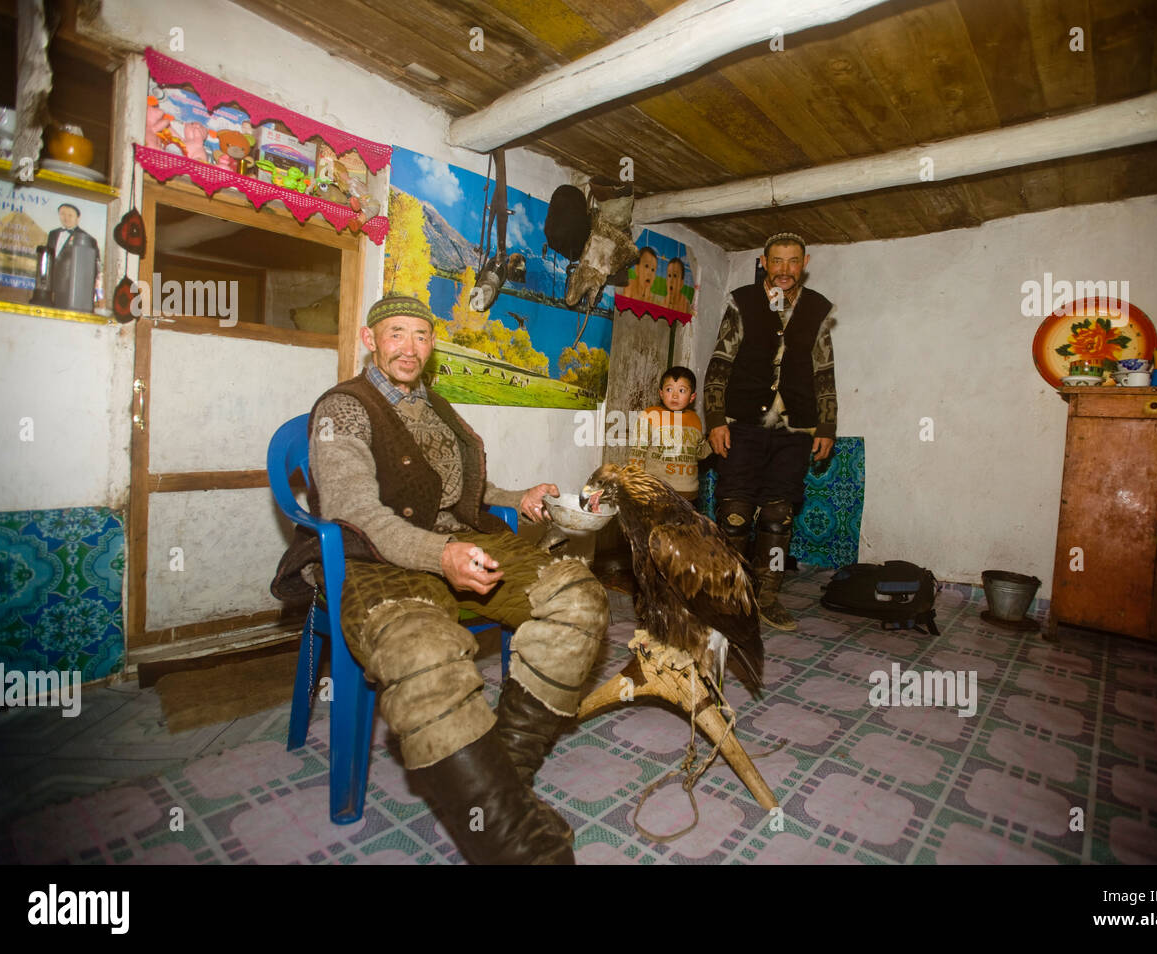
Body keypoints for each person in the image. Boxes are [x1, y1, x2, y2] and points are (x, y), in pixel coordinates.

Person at [272, 295, 608, 865]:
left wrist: (517, 496)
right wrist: (442, 552)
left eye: (422, 336)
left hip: (459, 546)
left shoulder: (438, 408)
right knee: (421, 651)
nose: (410, 347)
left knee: (579, 597)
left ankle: (500, 777)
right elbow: (357, 511)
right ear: (370, 338)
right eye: (396, 333)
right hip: (374, 559)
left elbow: (464, 495)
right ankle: (514, 845)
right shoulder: (343, 409)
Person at [704, 232, 836, 632]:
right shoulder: (742, 303)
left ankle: (767, 596)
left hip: (795, 429)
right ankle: (726, 595)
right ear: (763, 262)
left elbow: (824, 371)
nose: (784, 270)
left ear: (805, 262)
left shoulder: (816, 310)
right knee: (734, 515)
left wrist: (827, 424)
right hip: (742, 425)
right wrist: (714, 421)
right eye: (776, 261)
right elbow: (720, 363)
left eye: (792, 261)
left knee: (779, 517)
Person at [627, 366, 711, 503]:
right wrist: (635, 486)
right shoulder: (649, 415)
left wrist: (712, 442)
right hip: (656, 492)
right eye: (669, 389)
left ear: (692, 397)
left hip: (689, 495)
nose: (675, 395)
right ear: (661, 393)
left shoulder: (695, 419)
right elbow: (637, 453)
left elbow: (699, 453)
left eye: (682, 390)